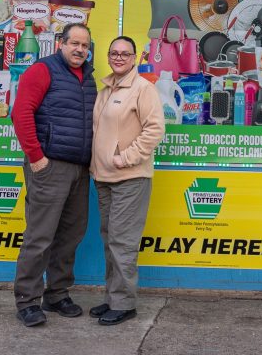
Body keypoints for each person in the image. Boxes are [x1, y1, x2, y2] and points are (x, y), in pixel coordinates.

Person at [11, 23, 96, 327]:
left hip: (79, 168)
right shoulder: (42, 70)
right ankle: (27, 301)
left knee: (71, 235)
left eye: (85, 45)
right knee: (40, 236)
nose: (80, 50)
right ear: (61, 42)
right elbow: (20, 112)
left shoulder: (88, 78)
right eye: (74, 43)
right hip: (49, 166)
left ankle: (57, 293)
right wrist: (36, 157)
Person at [89, 36, 165, 326]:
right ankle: (112, 297)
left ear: (135, 58)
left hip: (130, 177)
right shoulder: (106, 89)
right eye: (114, 53)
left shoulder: (143, 89)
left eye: (125, 54)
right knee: (110, 240)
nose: (119, 57)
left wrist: (127, 157)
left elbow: (155, 129)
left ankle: (124, 303)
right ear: (109, 57)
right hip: (104, 178)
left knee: (123, 241)